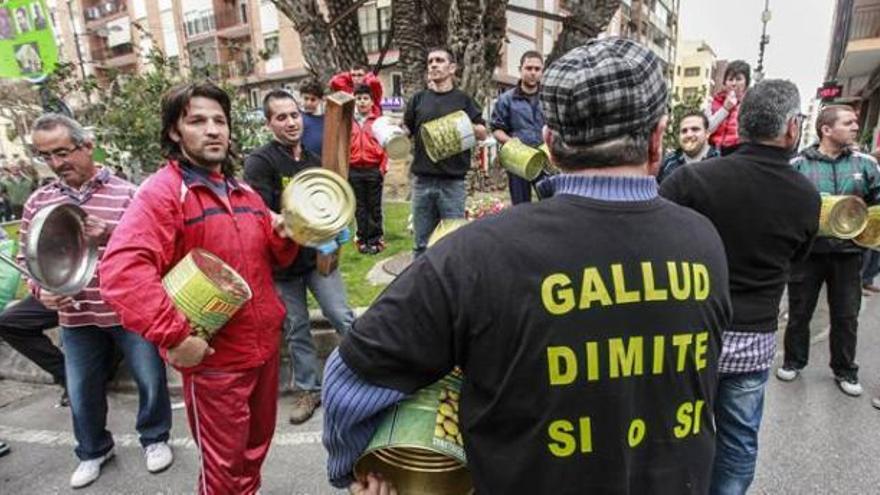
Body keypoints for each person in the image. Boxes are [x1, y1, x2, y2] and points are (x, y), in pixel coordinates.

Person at [322, 38, 733, 494]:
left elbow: (348, 378)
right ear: (658, 139)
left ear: (550, 145)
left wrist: (360, 467)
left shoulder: (475, 254)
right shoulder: (706, 242)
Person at [100, 82, 299, 494]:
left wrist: (286, 233)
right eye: (197, 121)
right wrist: (175, 334)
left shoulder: (243, 192)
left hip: (263, 350)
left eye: (219, 121)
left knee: (253, 453)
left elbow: (277, 260)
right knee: (223, 470)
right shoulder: (163, 192)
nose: (212, 131)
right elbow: (122, 270)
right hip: (216, 362)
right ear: (175, 131)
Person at [660, 80, 820, 495]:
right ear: (791, 128)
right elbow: (798, 258)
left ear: (741, 126)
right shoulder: (805, 196)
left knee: (673, 432)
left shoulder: (691, 181)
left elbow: (655, 247)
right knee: (738, 438)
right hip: (753, 339)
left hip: (687, 336)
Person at [25, 113, 173, 489]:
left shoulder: (129, 194)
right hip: (77, 317)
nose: (58, 163)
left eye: (63, 152)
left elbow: (154, 249)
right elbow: (31, 264)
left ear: (87, 145)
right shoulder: (39, 203)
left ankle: (154, 438)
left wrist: (110, 233)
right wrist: (40, 290)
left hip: (129, 313)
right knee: (81, 389)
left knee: (150, 379)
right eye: (47, 156)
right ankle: (93, 450)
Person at [243, 89, 355, 425]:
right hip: (281, 267)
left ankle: (368, 372)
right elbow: (260, 214)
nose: (291, 122)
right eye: (281, 117)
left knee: (342, 317)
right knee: (296, 328)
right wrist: (288, 224)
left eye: (294, 115)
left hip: (319, 259)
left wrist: (337, 226)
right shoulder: (260, 163)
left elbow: (330, 201)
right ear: (269, 123)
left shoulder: (314, 159)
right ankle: (310, 389)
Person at [777, 104, 880, 398]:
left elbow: (877, 203)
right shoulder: (797, 165)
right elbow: (785, 206)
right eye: (848, 122)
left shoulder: (865, 164)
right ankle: (793, 361)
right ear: (826, 129)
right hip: (808, 254)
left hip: (849, 255)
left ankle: (845, 369)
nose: (855, 127)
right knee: (799, 312)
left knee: (846, 315)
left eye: (855, 122)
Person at [404, 47, 487, 256]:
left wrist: (464, 126)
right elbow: (406, 130)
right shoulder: (418, 100)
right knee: (421, 244)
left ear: (452, 68)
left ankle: (450, 287)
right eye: (430, 61)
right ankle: (421, 287)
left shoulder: (463, 101)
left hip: (452, 183)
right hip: (422, 181)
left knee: (452, 244)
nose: (433, 65)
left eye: (439, 61)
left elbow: (482, 132)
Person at [490, 50, 546, 204]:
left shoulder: (549, 97)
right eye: (529, 68)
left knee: (551, 203)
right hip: (518, 160)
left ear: (542, 71)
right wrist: (511, 142)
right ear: (520, 69)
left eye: (537, 69)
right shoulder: (505, 99)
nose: (533, 73)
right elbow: (496, 129)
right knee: (521, 207)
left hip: (545, 158)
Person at [349, 84, 387, 254]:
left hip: (373, 169)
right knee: (359, 207)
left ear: (372, 102)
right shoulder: (350, 121)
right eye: (358, 98)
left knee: (374, 207)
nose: (362, 102)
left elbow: (386, 145)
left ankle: (375, 240)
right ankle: (362, 239)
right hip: (354, 169)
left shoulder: (378, 122)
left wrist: (382, 168)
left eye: (365, 98)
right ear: (354, 100)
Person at [656, 110, 720, 183]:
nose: (688, 135)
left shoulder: (721, 162)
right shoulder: (667, 163)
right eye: (684, 131)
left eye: (695, 129)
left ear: (707, 134)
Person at [707, 60, 751, 155]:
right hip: (714, 151)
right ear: (725, 82)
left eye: (739, 79)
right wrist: (725, 109)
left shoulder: (750, 105)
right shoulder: (714, 102)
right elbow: (707, 128)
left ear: (746, 83)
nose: (734, 84)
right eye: (730, 79)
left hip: (738, 152)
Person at [299, 78, 325, 158]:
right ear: (300, 97)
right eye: (306, 98)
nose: (309, 103)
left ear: (320, 100)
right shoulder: (296, 117)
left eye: (313, 99)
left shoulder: (325, 120)